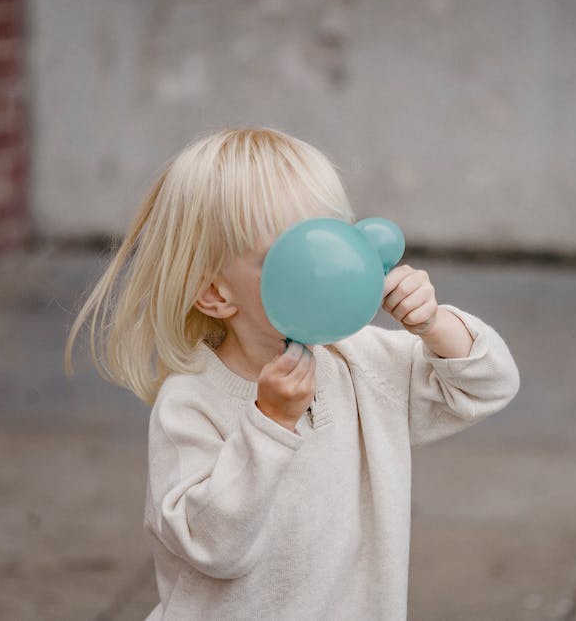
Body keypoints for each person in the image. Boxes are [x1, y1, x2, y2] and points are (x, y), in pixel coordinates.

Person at [64, 127, 520, 620]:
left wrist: (435, 324)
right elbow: (214, 548)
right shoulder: (191, 404)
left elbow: (488, 385)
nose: (325, 266)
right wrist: (269, 424)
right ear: (216, 293)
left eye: (332, 238)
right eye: (289, 256)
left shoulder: (362, 362)